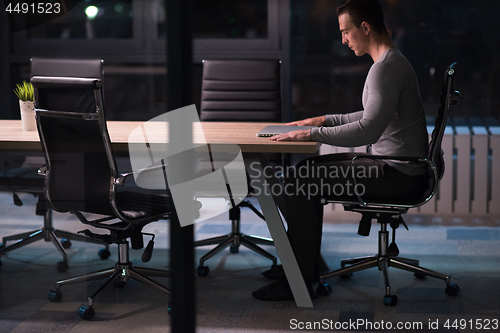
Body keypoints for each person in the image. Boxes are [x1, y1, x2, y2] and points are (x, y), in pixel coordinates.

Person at [251, 0, 429, 301]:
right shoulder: (391, 62)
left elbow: (368, 129)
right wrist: (323, 119)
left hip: (396, 175)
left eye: (346, 32)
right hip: (399, 168)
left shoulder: (384, 69)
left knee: (301, 180)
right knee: (304, 175)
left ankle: (299, 279)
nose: (343, 40)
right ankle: (303, 265)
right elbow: (369, 116)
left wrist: (312, 133)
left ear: (365, 27)